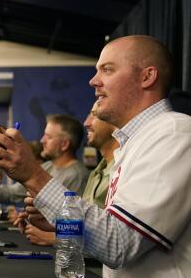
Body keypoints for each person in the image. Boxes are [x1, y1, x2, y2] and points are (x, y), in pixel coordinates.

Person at [0, 35, 191, 278]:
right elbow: (112, 229)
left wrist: (34, 175)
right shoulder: (139, 142)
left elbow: (119, 244)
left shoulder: (177, 135)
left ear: (147, 76)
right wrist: (60, 222)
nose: (93, 81)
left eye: (107, 69)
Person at [22, 102, 119, 246]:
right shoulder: (98, 171)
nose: (86, 123)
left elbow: (115, 241)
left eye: (94, 115)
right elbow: (87, 227)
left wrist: (53, 238)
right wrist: (52, 222)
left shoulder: (119, 170)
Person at [0, 114, 89, 205]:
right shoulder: (47, 166)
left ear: (64, 144)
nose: (42, 140)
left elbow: (71, 216)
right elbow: (12, 193)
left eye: (48, 137)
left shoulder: (77, 177)